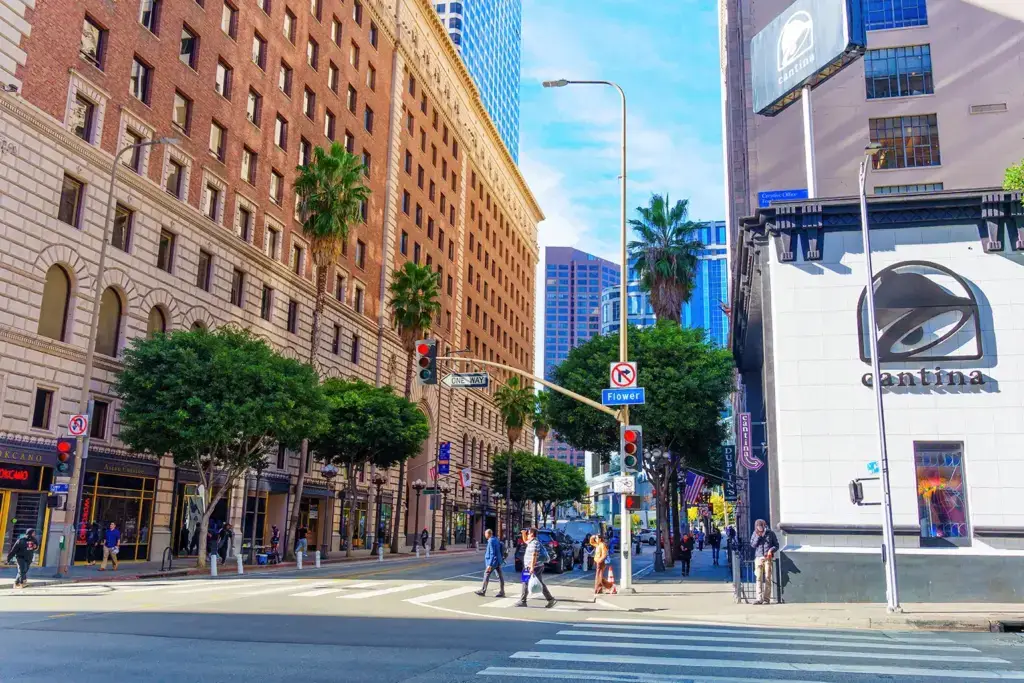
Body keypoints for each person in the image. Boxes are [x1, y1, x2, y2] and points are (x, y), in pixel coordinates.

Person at [515, 528, 555, 608]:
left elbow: (534, 555)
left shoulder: (534, 543)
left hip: (534, 566)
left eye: (528, 533)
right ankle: (550, 599)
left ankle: (523, 601)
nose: (527, 535)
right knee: (528, 582)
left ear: (532, 534)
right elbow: (525, 540)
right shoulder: (531, 542)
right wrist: (523, 533)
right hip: (529, 566)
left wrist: (532, 567)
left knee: (527, 582)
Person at [751, 519, 780, 605]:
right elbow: (753, 545)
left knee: (767, 578)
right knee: (758, 578)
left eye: (761, 526)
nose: (759, 528)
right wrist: (758, 536)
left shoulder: (770, 533)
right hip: (759, 557)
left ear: (764, 526)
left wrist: (771, 550)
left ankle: (766, 599)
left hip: (768, 558)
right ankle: (759, 598)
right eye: (758, 526)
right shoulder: (755, 533)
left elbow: (776, 545)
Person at [475, 529, 506, 597]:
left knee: (486, 573)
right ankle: (502, 591)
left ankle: (483, 590)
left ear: (488, 534)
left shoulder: (491, 541)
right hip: (498, 560)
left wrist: (490, 564)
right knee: (499, 576)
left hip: (493, 561)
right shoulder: (496, 539)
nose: (485, 535)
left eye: (485, 534)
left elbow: (492, 553)